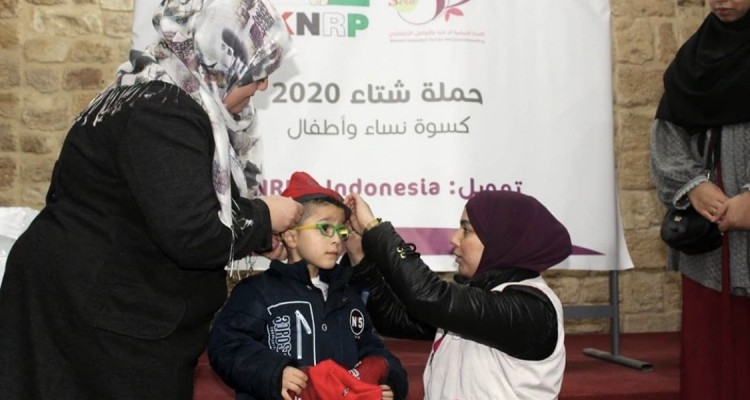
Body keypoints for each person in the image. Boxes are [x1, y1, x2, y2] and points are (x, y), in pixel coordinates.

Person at [0, 1, 303, 399]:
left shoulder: (155, 93)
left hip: (99, 303)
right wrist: (264, 216)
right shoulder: (164, 111)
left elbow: (166, 208)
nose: (262, 86)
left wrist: (254, 236)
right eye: (256, 73)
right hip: (96, 318)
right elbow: (192, 233)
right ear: (219, 61)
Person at [344, 190, 570, 399]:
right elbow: (395, 319)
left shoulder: (531, 309)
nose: (454, 239)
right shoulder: (483, 295)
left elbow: (429, 297)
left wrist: (374, 227)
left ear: (502, 238)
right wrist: (361, 259)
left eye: (467, 230)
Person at [207, 171, 408, 400]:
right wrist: (274, 373)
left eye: (341, 230)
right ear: (291, 237)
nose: (337, 239)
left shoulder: (347, 297)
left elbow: (375, 351)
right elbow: (225, 345)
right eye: (325, 228)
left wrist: (387, 379)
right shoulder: (257, 292)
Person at [650, 1, 750, 398]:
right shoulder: (695, 58)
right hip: (709, 238)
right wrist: (693, 186)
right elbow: (667, 133)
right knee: (711, 349)